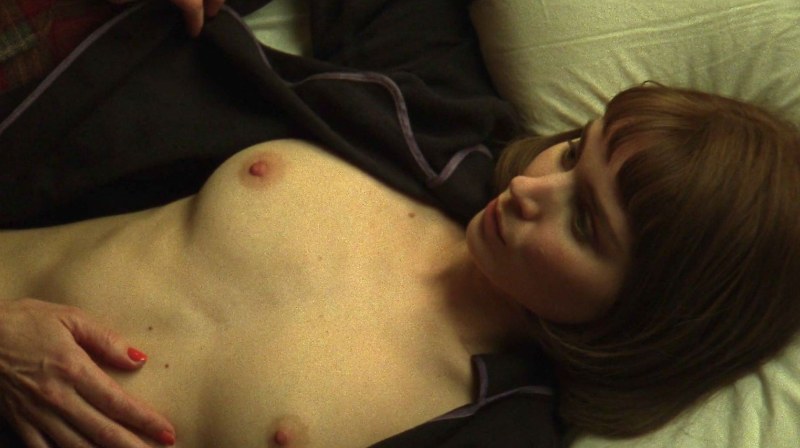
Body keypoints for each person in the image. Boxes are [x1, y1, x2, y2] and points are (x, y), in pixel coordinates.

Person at [1, 84, 799, 447]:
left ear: (643, 319)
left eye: (585, 220)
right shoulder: (434, 129)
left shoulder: (489, 433)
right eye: (570, 151)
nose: (530, 188)